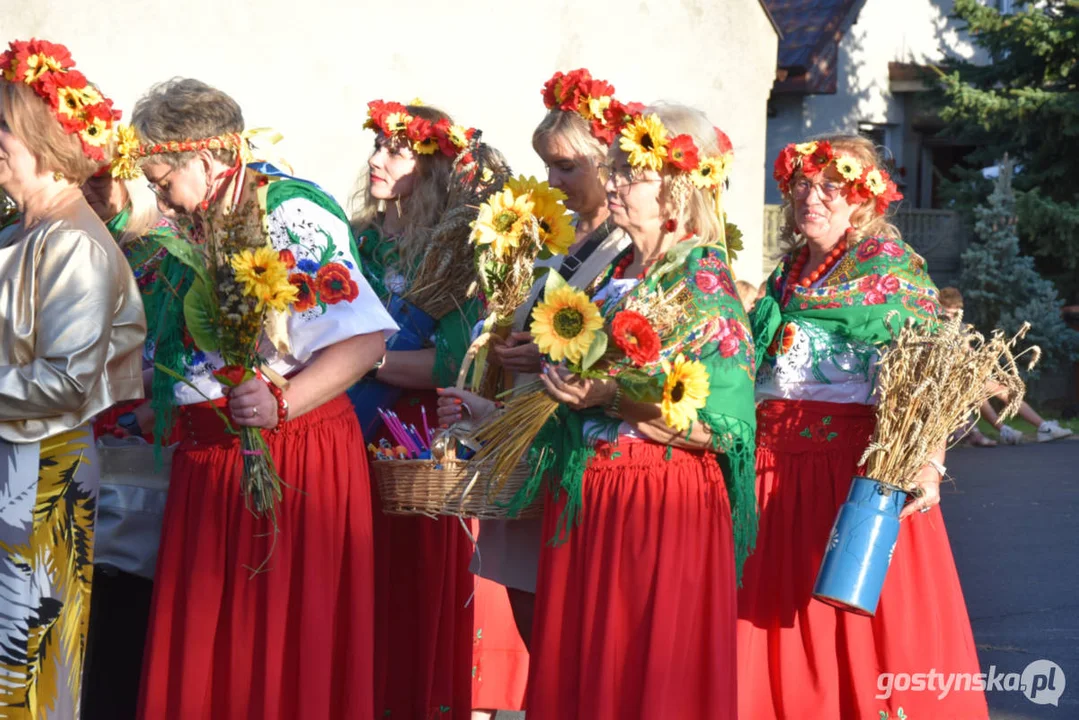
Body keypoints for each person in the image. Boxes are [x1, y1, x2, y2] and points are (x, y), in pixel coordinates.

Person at [447, 102, 757, 719]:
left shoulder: (702, 284)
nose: (612, 181)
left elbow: (721, 428)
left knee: (640, 673)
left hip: (656, 502)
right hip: (594, 493)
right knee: (587, 668)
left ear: (675, 194)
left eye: (630, 173)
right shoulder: (615, 269)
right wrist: (524, 390)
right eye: (612, 168)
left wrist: (608, 397)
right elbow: (588, 377)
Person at [129, 78, 397, 720]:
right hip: (214, 463)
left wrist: (283, 401)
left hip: (287, 455)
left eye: (163, 179)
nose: (159, 197)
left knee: (277, 653)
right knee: (212, 661)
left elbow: (363, 340)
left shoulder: (289, 213)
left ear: (206, 159)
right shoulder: (194, 225)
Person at [739, 135, 988, 718]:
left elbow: (932, 373)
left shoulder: (893, 273)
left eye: (832, 187)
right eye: (803, 184)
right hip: (773, 474)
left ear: (862, 198)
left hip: (851, 478)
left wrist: (926, 460)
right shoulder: (786, 274)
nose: (813, 198)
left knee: (853, 631)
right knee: (773, 626)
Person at [348, 99, 525, 719]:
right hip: (345, 431)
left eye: (395, 150)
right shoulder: (357, 241)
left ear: (433, 169)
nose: (375, 159)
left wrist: (359, 362)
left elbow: (454, 364)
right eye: (375, 145)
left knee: (406, 594)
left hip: (411, 443)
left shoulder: (449, 254)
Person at [0, 38, 145, 715]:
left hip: (40, 474)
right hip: (15, 461)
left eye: (3, 127)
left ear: (40, 137)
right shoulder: (23, 232)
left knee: (25, 656)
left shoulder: (74, 245)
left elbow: (63, 382)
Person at [466, 69, 633, 658]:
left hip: (565, 430)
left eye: (567, 167)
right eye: (547, 167)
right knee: (525, 601)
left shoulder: (626, 244)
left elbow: (622, 344)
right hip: (520, 425)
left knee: (562, 615)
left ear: (608, 164)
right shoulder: (552, 235)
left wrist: (547, 351)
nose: (553, 180)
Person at [81, 166, 184, 720]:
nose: (89, 187)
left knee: (120, 607)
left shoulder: (163, 249)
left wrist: (115, 386)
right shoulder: (84, 235)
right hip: (93, 427)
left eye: (103, 177)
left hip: (136, 445)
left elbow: (180, 355)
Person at [939, 286, 1072, 444]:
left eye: (955, 313)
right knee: (978, 393)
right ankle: (1005, 429)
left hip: (967, 373)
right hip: (949, 377)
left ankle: (1041, 427)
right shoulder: (936, 326)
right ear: (940, 308)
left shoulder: (961, 326)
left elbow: (968, 351)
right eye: (948, 312)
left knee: (1002, 390)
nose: (952, 317)